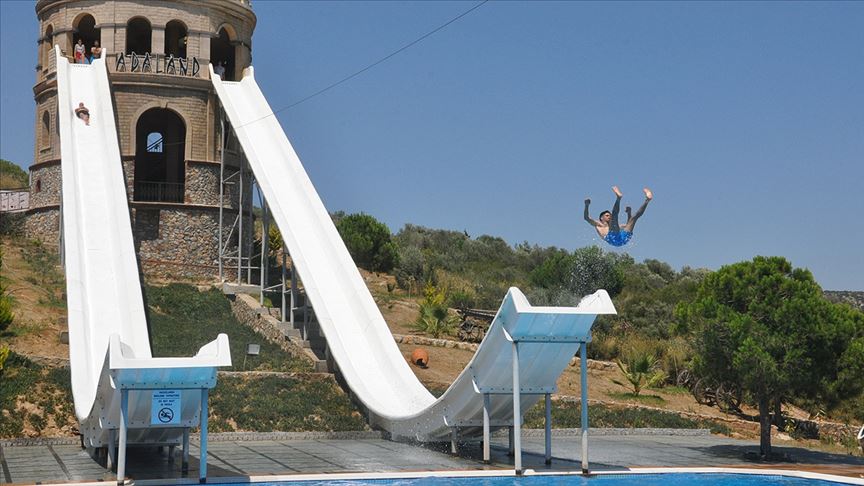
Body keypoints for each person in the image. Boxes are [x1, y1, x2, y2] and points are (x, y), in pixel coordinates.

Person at [584, 186, 652, 247]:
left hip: (624, 238)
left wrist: (629, 213)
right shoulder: (598, 225)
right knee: (614, 216)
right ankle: (618, 198)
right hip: (612, 238)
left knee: (634, 218)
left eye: (609, 215)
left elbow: (628, 224)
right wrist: (586, 205)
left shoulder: (618, 226)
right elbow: (586, 218)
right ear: (601, 218)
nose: (609, 216)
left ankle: (647, 200)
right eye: (607, 215)